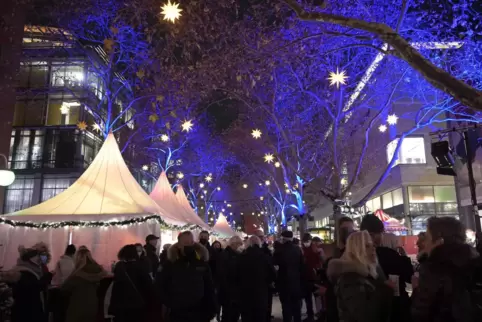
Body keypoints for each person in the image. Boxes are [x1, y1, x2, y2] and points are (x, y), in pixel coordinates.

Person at [411, 217, 479, 322]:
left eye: (427, 238)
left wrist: (416, 289)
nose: (425, 243)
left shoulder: (433, 268)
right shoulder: (473, 261)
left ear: (439, 241)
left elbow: (421, 312)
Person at [327, 231, 392, 322]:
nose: (373, 248)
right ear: (357, 250)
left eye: (373, 245)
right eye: (367, 246)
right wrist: (385, 290)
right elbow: (365, 316)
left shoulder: (368, 274)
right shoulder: (351, 279)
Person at [361, 215, 413, 322]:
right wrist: (404, 257)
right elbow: (409, 275)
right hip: (393, 309)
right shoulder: (389, 255)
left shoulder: (354, 256)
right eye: (381, 233)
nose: (382, 236)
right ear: (372, 235)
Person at [157, 231, 216, 322]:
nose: (188, 245)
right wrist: (170, 302)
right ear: (179, 244)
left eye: (190, 242)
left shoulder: (201, 263)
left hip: (200, 311)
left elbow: (209, 287)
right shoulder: (170, 264)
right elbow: (161, 285)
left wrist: (212, 308)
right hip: (177, 312)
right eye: (185, 243)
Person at [109, 244, 154, 322]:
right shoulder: (140, 266)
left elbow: (116, 286)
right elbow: (148, 285)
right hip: (137, 303)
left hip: (121, 303)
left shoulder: (119, 266)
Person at [61, 248, 107, 322]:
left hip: (77, 307)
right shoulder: (100, 272)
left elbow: (64, 288)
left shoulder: (77, 275)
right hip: (93, 306)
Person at [238, 235, 275, 322]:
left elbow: (236, 274)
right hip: (261, 291)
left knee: (247, 316)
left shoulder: (241, 257)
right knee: (260, 316)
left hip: (245, 292)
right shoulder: (265, 257)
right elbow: (273, 274)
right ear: (259, 243)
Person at [10, 247, 50, 322]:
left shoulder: (21, 272)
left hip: (21, 313)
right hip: (28, 314)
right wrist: (47, 278)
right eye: (38, 261)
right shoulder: (26, 274)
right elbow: (33, 290)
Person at [274, 231, 305, 322]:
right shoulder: (297, 249)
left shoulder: (279, 250)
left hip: (283, 282)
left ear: (283, 238)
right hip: (296, 282)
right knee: (296, 306)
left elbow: (275, 265)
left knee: (286, 306)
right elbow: (302, 266)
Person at [217, 236, 244, 322]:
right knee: (229, 315)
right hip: (229, 292)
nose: (241, 246)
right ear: (234, 244)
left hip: (232, 292)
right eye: (240, 244)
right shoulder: (227, 255)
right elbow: (223, 275)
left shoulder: (233, 254)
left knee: (232, 315)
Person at [302, 234, 324, 322]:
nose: (306, 243)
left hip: (315, 276)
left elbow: (322, 260)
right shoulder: (303, 249)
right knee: (308, 298)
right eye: (305, 241)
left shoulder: (316, 249)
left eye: (307, 241)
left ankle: (319, 315)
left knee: (317, 297)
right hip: (308, 277)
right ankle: (311, 315)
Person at [254, 229, 274, 322]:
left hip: (265, 281)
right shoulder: (252, 249)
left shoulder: (266, 248)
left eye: (262, 236)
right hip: (257, 281)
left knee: (267, 302)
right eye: (259, 236)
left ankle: (267, 316)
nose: (261, 238)